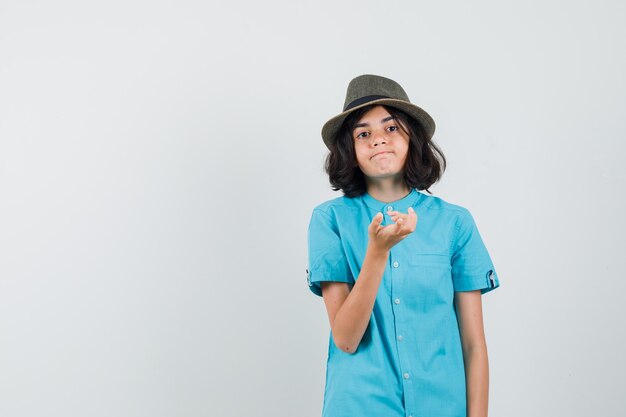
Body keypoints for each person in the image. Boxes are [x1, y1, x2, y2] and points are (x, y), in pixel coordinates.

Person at [306, 74, 500, 417]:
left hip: (441, 406)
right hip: (360, 406)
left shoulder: (455, 223)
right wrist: (377, 253)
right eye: (363, 133)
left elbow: (474, 346)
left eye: (391, 128)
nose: (378, 140)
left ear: (412, 137)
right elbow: (346, 338)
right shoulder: (329, 220)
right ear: (350, 151)